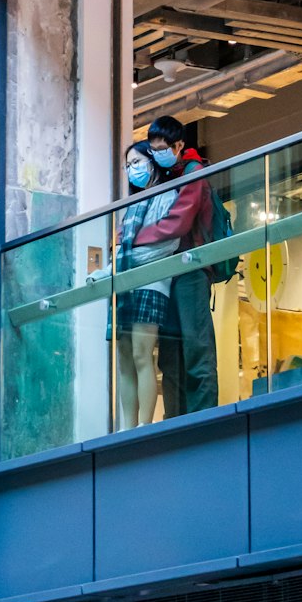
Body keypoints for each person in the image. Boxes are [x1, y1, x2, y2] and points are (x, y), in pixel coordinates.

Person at [135, 115, 218, 417]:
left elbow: (178, 222)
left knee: (197, 347)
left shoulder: (193, 173)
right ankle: (175, 421)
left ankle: (204, 419)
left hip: (191, 268)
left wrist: (135, 240)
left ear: (180, 144)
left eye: (163, 148)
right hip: (165, 270)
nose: (157, 154)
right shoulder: (165, 176)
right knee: (169, 354)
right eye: (154, 148)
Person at [114, 143, 179, 429]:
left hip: (151, 282)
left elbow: (166, 244)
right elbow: (121, 247)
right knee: (124, 358)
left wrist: (122, 264)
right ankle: (126, 427)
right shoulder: (131, 206)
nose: (132, 169)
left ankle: (144, 425)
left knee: (142, 353)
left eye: (137, 161)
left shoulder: (166, 195)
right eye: (128, 165)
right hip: (127, 284)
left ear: (152, 162)